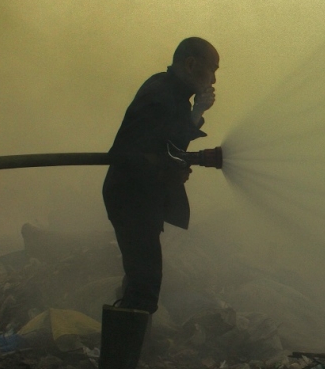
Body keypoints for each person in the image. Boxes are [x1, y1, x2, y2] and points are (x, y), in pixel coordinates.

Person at [99, 37, 219, 368]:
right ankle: (120, 361)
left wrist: (174, 165)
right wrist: (196, 113)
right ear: (193, 65)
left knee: (140, 279)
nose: (213, 81)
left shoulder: (168, 92)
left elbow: (164, 148)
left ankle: (133, 353)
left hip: (137, 198)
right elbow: (157, 148)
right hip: (131, 198)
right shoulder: (162, 94)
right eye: (212, 71)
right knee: (145, 285)